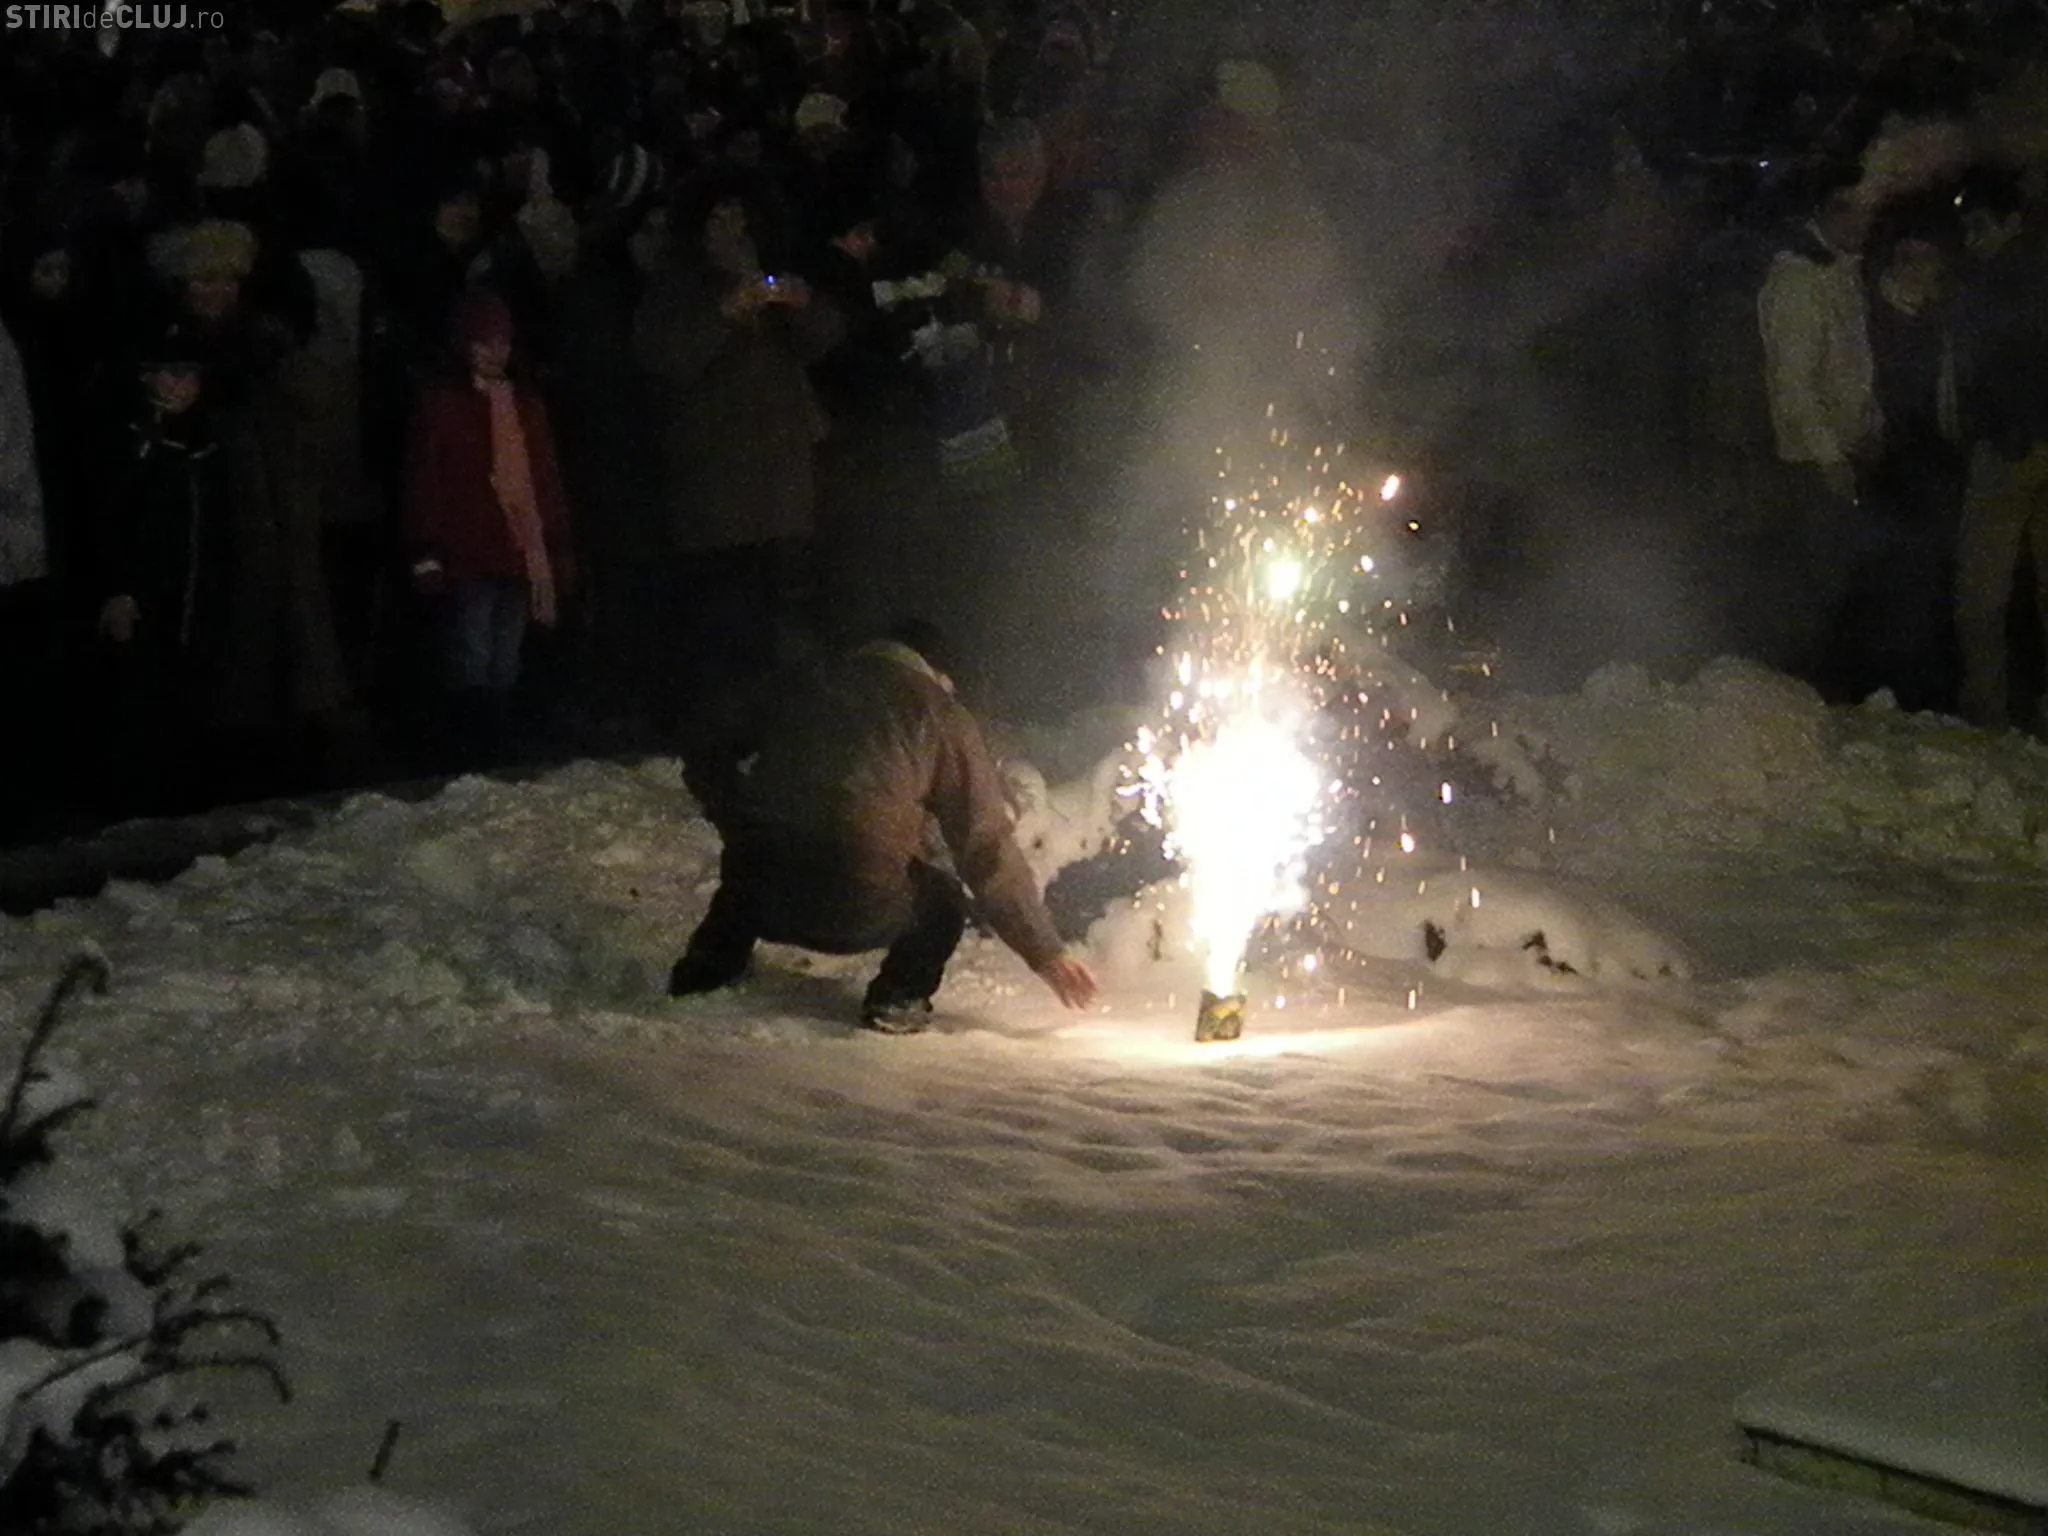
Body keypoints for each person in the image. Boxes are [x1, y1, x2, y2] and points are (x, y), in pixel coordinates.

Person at [667, 622, 1101, 1033]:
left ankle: (707, 968)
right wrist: (1046, 953)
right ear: (937, 671)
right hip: (854, 905)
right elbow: (985, 844)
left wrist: (736, 817)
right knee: (942, 903)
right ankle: (898, 998)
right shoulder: (938, 713)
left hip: (762, 895)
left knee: (752, 867)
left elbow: (706, 744)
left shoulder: (803, 685)